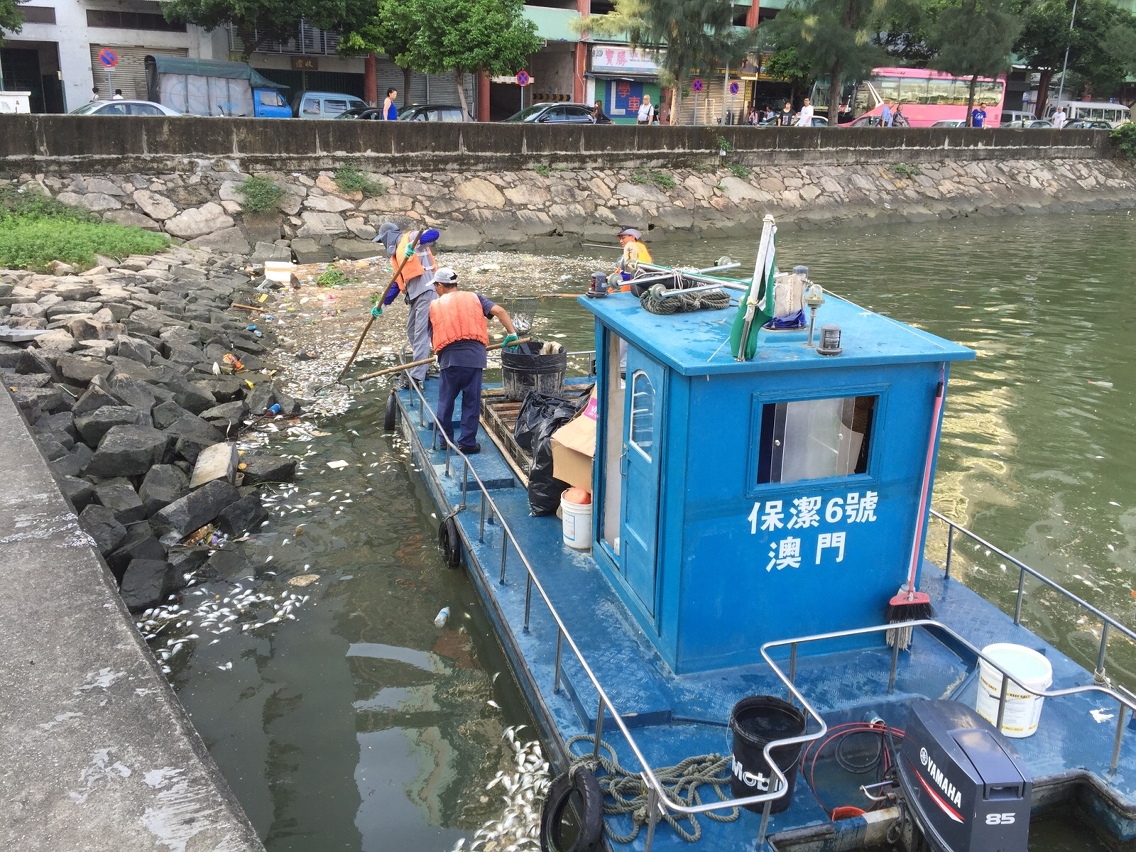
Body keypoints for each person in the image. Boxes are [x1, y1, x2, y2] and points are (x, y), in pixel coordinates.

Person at [428, 268, 518, 454]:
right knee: (471, 401)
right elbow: (500, 311)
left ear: (439, 285)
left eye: (435, 286)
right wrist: (512, 334)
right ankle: (467, 443)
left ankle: (445, 441)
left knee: (445, 402)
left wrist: (439, 354)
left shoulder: (435, 306)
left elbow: (433, 334)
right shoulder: (475, 298)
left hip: (450, 359)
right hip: (474, 358)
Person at [372, 222, 439, 389]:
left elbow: (434, 234)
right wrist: (382, 305)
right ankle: (423, 365)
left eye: (382, 241)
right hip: (415, 296)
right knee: (411, 330)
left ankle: (417, 377)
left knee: (420, 333)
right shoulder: (397, 256)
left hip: (427, 290)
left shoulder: (408, 238)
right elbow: (396, 283)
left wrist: (414, 244)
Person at [611, 226, 653, 291]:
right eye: (620, 239)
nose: (621, 241)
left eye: (623, 238)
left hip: (630, 285)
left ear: (632, 237)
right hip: (644, 280)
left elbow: (629, 272)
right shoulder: (641, 246)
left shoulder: (630, 246)